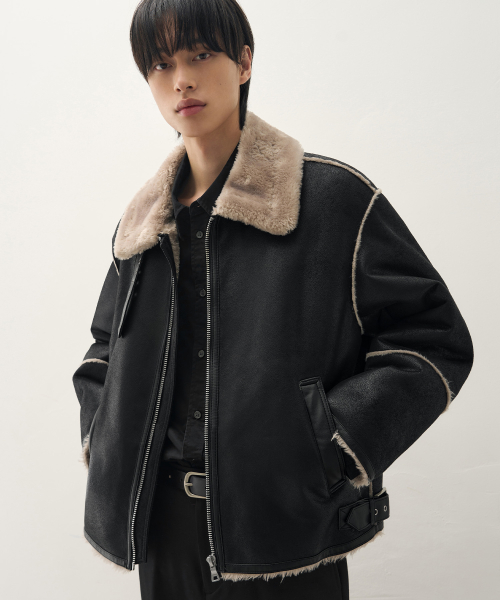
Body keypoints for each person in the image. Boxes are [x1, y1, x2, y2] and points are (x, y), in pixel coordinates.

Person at [71, 0, 474, 598]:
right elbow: (105, 350)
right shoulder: (144, 225)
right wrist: (103, 437)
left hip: (286, 530)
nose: (181, 79)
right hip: (162, 533)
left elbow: (434, 337)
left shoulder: (329, 199)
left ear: (244, 62)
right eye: (160, 64)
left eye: (200, 54)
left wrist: (331, 443)